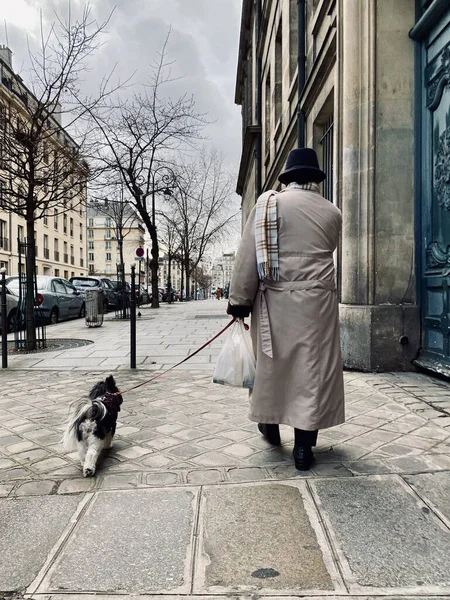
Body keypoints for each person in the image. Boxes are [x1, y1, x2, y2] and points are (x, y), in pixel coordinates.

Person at [227, 148, 344, 471]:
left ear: (288, 178)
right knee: (312, 371)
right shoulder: (332, 212)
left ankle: (270, 426)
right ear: (316, 179)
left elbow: (247, 256)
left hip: (274, 302)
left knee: (273, 366)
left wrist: (239, 300)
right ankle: (304, 447)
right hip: (318, 305)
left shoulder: (268, 206)